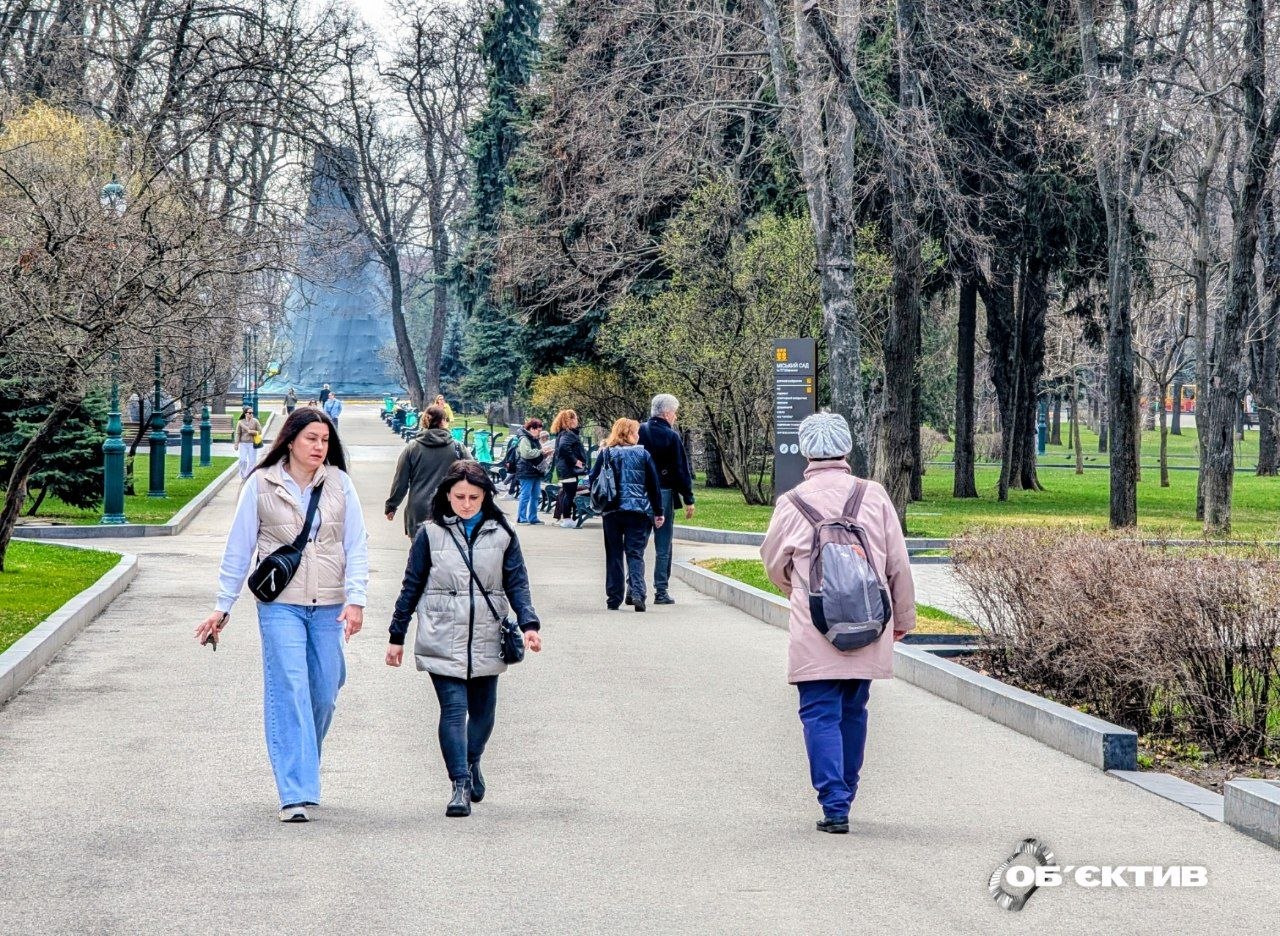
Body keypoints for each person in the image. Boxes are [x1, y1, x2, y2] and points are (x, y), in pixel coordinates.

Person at [193, 408, 369, 823]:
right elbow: (238, 549)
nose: (319, 447)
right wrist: (224, 605)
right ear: (290, 440)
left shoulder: (340, 485)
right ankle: (295, 791)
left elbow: (356, 545)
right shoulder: (261, 483)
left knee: (324, 690)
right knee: (289, 687)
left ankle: (303, 759)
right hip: (280, 605)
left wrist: (356, 600)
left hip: (328, 603)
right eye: (311, 438)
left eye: (325, 440)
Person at [759, 412, 915, 835]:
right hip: (868, 619)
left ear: (807, 451)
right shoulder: (874, 494)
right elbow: (898, 563)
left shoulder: (792, 502)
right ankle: (847, 789)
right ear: (846, 448)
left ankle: (835, 804)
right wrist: (901, 619)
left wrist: (802, 587)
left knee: (818, 711)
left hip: (816, 623)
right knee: (853, 708)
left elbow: (773, 563)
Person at [386, 460, 542, 817]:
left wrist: (528, 624)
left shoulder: (502, 533)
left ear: (485, 495)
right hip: (442, 632)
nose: (467, 503)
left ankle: (472, 761)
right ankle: (459, 784)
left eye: (474, 496)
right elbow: (411, 585)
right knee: (453, 710)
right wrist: (397, 634)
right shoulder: (430, 533)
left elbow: (516, 581)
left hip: (489, 632)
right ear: (447, 495)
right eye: (459, 496)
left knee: (484, 713)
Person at [587, 418, 664, 612]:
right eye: (636, 432)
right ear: (628, 434)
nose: (638, 436)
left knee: (613, 554)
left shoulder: (606, 454)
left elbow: (592, 478)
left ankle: (614, 598)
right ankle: (638, 593)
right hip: (637, 512)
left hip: (611, 510)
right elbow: (653, 485)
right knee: (635, 553)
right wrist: (658, 512)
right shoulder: (643, 454)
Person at [638, 394, 695, 605]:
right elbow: (681, 470)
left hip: (640, 493)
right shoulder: (672, 436)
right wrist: (688, 498)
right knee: (663, 545)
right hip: (663, 493)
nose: (676, 416)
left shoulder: (639, 431)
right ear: (666, 413)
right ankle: (660, 590)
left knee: (638, 543)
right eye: (675, 412)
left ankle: (635, 585)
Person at [385, 404, 468, 537]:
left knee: (419, 553)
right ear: (444, 421)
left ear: (424, 421)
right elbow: (476, 474)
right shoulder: (457, 448)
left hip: (419, 509)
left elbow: (401, 481)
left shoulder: (412, 448)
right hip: (449, 508)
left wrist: (391, 506)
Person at [551, 409, 588, 527]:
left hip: (564, 469)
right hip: (568, 470)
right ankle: (567, 519)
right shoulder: (568, 434)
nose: (577, 421)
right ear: (570, 420)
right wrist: (575, 461)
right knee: (569, 494)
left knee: (568, 493)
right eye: (576, 418)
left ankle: (566, 518)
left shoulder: (563, 433)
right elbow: (563, 447)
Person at [515, 418, 550, 524]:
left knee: (535, 495)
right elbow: (526, 453)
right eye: (538, 430)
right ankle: (522, 518)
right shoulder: (524, 439)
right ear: (532, 429)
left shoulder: (534, 439)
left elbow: (534, 453)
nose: (540, 433)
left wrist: (544, 453)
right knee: (525, 495)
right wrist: (540, 451)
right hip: (526, 471)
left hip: (535, 471)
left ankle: (533, 517)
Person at [233, 405, 263, 480]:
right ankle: (242, 474)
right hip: (243, 444)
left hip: (252, 444)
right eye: (249, 413)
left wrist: (252, 432)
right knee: (242, 460)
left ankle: (249, 476)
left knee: (252, 461)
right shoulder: (240, 422)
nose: (251, 414)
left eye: (252, 413)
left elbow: (260, 431)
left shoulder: (255, 421)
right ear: (245, 413)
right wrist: (236, 444)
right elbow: (238, 433)